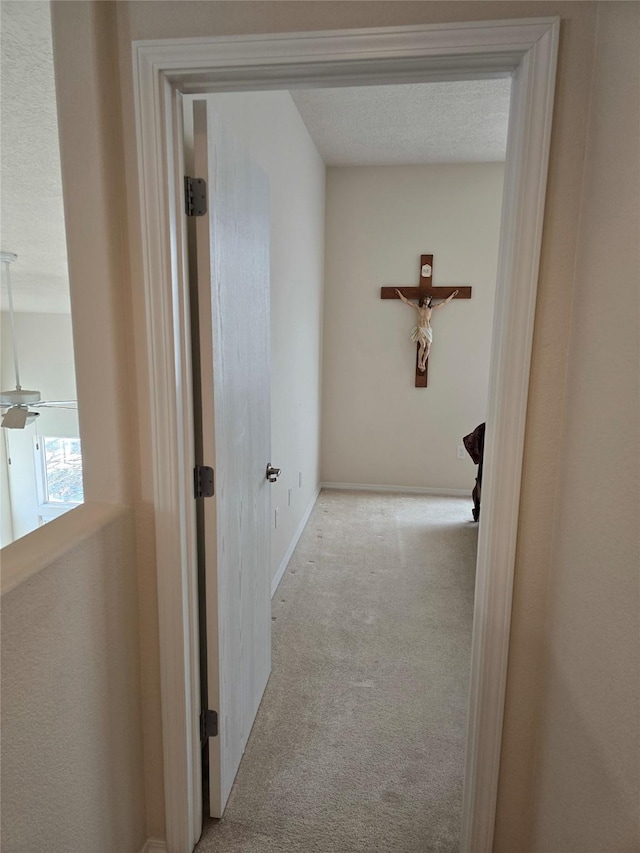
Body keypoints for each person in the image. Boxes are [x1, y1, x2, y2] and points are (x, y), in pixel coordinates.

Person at [395, 288, 459, 371]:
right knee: (423, 345)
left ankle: (423, 362)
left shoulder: (431, 309)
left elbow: (444, 303)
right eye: (426, 299)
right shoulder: (419, 308)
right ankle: (419, 362)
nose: (427, 301)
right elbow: (407, 301)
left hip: (428, 329)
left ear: (430, 301)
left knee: (428, 346)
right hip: (421, 328)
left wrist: (452, 295)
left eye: (428, 299)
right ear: (424, 300)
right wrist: (400, 294)